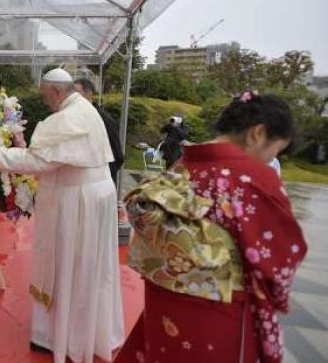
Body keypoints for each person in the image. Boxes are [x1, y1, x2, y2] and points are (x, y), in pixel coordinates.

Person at [120, 91, 307, 362]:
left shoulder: (182, 165)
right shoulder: (252, 177)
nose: (270, 161)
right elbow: (280, 256)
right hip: (219, 305)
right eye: (273, 150)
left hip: (164, 294)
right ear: (258, 133)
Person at [0, 68, 125, 363]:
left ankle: (64, 337)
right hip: (95, 195)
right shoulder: (84, 108)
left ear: (57, 91)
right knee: (89, 267)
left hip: (77, 202)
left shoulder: (67, 119)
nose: (46, 103)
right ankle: (82, 332)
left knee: (70, 266)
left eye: (46, 97)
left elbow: (39, 161)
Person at [74, 78, 124, 186]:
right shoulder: (78, 117)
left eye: (76, 93)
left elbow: (117, 155)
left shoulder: (102, 118)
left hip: (100, 184)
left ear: (89, 94)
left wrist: (100, 177)